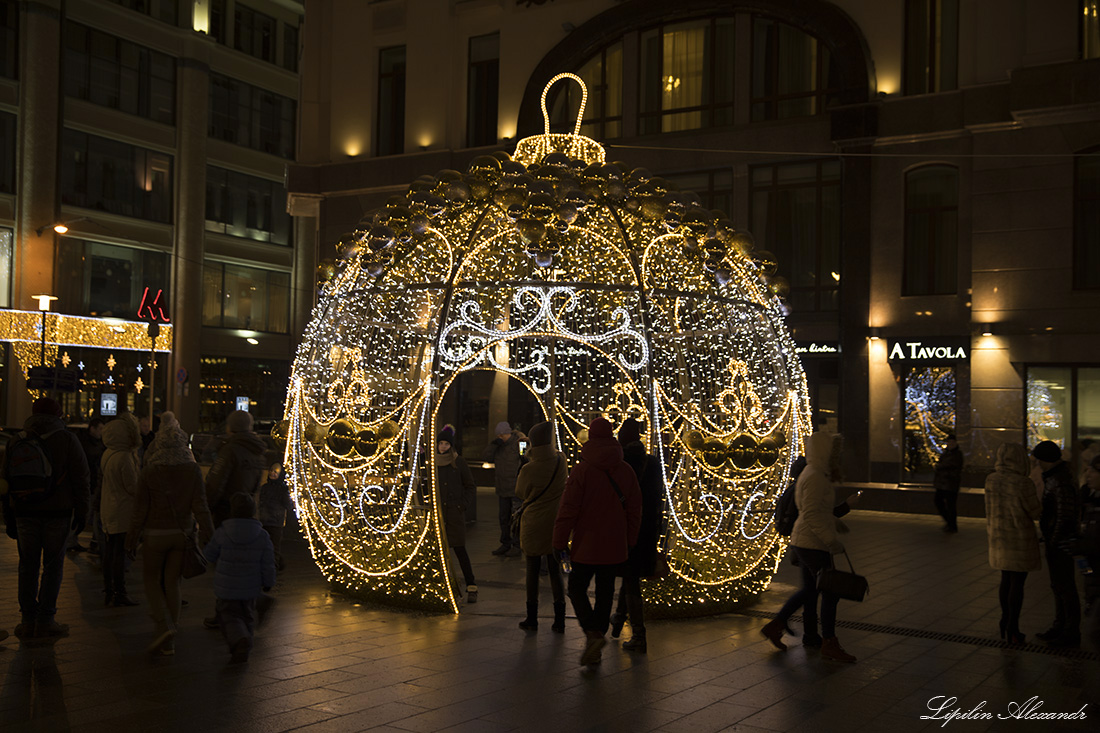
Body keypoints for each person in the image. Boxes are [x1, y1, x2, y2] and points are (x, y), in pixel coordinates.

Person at [760, 430, 857, 663]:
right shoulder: (815, 476)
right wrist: (831, 541)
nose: (838, 456)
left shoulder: (812, 472)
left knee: (811, 590)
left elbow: (812, 510)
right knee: (830, 592)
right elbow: (812, 514)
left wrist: (834, 523)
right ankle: (829, 642)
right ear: (825, 452)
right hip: (812, 543)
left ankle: (779, 626)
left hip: (805, 540)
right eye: (835, 451)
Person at [553, 417, 641, 666]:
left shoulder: (582, 470)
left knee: (576, 588)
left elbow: (568, 509)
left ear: (591, 437)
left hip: (586, 544)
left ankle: (592, 633)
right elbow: (635, 509)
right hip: (615, 545)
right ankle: (597, 637)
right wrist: (630, 540)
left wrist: (559, 541)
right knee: (605, 592)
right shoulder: (625, 470)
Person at [1, 397, 90, 638]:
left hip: (24, 512)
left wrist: (8, 516)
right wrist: (82, 512)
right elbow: (81, 479)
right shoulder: (68, 439)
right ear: (59, 415)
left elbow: (5, 482)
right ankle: (46, 619)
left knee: (27, 566)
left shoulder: (17, 441)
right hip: (57, 514)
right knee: (53, 565)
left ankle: (27, 620)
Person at [127, 412, 215, 656]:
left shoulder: (150, 469)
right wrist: (210, 535)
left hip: (155, 534)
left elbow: (139, 510)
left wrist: (131, 539)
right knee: (173, 583)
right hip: (182, 535)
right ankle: (170, 639)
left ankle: (163, 625)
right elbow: (201, 506)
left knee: (151, 580)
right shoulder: (192, 468)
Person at [608, 418, 662, 653]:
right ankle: (619, 618)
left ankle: (639, 634)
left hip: (628, 528)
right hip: (649, 528)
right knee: (631, 576)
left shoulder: (621, 464)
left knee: (630, 580)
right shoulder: (652, 462)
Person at [204, 492, 276, 663]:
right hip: (251, 588)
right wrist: (268, 583)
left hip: (226, 587)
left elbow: (210, 554)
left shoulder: (223, 532)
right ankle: (246, 640)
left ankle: (240, 640)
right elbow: (268, 563)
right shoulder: (262, 535)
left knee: (229, 616)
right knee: (247, 616)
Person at [984, 443, 1041, 645]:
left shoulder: (991, 480)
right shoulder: (1022, 482)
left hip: (999, 539)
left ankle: (1004, 621)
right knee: (1017, 583)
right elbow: (1035, 512)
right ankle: (1013, 627)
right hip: (1019, 539)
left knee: (1005, 579)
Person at [515, 421, 567, 632]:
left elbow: (520, 492)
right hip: (555, 522)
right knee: (555, 571)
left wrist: (528, 455)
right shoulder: (560, 460)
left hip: (534, 523)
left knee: (532, 569)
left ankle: (532, 617)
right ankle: (560, 619)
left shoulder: (529, 467)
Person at [1033, 440, 1082, 647]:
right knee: (1058, 586)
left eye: (1039, 459)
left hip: (1061, 542)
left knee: (1065, 587)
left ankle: (1070, 631)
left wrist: (1053, 539)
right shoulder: (1055, 477)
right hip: (1056, 539)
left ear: (1047, 459)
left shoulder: (1059, 480)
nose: (1037, 464)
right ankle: (1059, 626)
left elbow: (1064, 514)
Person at [100, 413, 142, 607]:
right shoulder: (124, 457)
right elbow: (133, 487)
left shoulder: (108, 453)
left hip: (109, 508)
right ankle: (119, 591)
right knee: (119, 553)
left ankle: (109, 589)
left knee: (110, 552)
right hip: (122, 510)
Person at [435, 426, 478, 603]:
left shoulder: (458, 462)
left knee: (459, 549)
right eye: (441, 443)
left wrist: (462, 506)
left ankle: (471, 584)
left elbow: (470, 485)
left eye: (446, 444)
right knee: (439, 551)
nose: (443, 447)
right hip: (439, 513)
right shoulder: (432, 462)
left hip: (454, 512)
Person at [205, 410, 268, 527]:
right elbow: (257, 484)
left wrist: (207, 507)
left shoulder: (229, 450)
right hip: (246, 512)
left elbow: (216, 483)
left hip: (226, 511)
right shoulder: (257, 452)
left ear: (231, 427)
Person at [483, 421, 527, 557]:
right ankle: (505, 543)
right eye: (499, 435)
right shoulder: (498, 446)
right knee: (503, 517)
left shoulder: (520, 443)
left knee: (515, 518)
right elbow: (486, 457)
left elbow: (526, 459)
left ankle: (516, 545)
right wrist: (493, 445)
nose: (500, 437)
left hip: (515, 488)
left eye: (502, 435)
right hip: (502, 488)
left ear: (508, 433)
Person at [68, 417, 104, 554]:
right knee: (84, 512)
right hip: (87, 483)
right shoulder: (86, 444)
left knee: (93, 513)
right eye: (100, 428)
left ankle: (79, 540)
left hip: (93, 483)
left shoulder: (97, 443)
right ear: (92, 429)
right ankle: (71, 540)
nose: (102, 432)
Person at [1077, 455, 1100, 651]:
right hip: (1093, 575)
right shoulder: (1091, 498)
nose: (1087, 474)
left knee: (1094, 631)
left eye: (1092, 471)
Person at [258, 463, 293, 571]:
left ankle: (273, 567)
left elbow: (288, 504)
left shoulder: (282, 489)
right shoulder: (265, 487)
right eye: (271, 470)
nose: (272, 473)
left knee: (274, 546)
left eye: (275, 472)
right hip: (265, 520)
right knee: (267, 545)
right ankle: (269, 566)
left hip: (275, 521)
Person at [933, 433, 964, 533]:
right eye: (949, 442)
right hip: (942, 483)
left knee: (951, 505)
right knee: (939, 502)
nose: (950, 444)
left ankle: (952, 525)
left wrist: (941, 467)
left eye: (952, 442)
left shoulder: (957, 454)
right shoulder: (945, 453)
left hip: (951, 484)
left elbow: (950, 465)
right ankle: (949, 522)